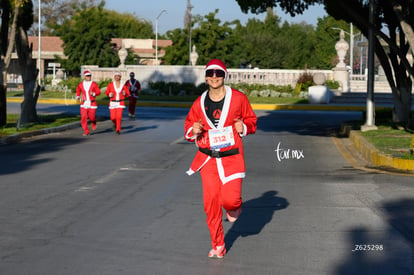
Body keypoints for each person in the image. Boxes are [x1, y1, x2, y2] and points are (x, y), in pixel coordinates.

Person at [184, 59, 257, 259]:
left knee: (230, 200)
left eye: (218, 73)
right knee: (211, 205)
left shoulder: (238, 99)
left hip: (232, 158)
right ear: (206, 77)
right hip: (208, 160)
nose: (214, 77)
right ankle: (218, 244)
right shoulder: (199, 103)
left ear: (224, 75)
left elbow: (251, 120)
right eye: (210, 73)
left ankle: (235, 207)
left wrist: (245, 127)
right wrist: (194, 130)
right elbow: (189, 126)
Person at [76, 70, 101, 136]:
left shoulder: (93, 84)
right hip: (84, 103)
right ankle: (86, 131)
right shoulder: (81, 84)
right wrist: (78, 96)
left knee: (91, 117)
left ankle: (93, 121)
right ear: (84, 76)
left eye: (89, 75)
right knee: (83, 117)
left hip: (92, 103)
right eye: (87, 76)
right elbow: (78, 90)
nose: (89, 77)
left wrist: (94, 93)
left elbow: (98, 92)